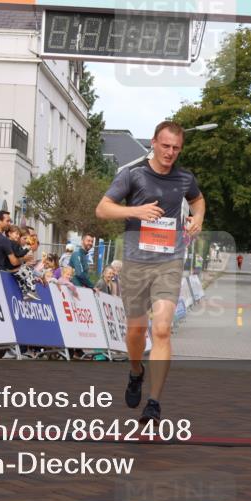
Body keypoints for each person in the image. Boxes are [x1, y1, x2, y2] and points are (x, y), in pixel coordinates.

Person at [96, 120, 205, 424]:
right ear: (154, 143)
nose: (171, 153)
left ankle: (154, 402)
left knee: (161, 329)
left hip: (169, 261)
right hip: (136, 262)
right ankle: (135, 371)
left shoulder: (184, 178)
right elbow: (102, 209)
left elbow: (197, 200)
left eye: (176, 148)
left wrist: (198, 220)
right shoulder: (132, 175)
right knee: (136, 331)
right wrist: (135, 211)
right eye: (166, 146)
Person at [0, 210, 37, 300]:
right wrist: (24, 259)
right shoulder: (4, 240)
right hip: (2, 277)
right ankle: (28, 292)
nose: (9, 223)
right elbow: (14, 262)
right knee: (26, 270)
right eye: (7, 221)